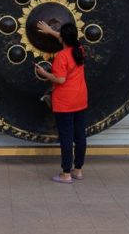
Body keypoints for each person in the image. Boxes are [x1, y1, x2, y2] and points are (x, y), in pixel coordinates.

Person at [35, 21, 88, 184]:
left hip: (65, 101)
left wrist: (44, 73)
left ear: (62, 39)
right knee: (80, 135)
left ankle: (66, 173)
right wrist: (50, 31)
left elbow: (60, 79)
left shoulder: (61, 56)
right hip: (80, 99)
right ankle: (78, 170)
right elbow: (67, 38)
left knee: (66, 137)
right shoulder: (79, 49)